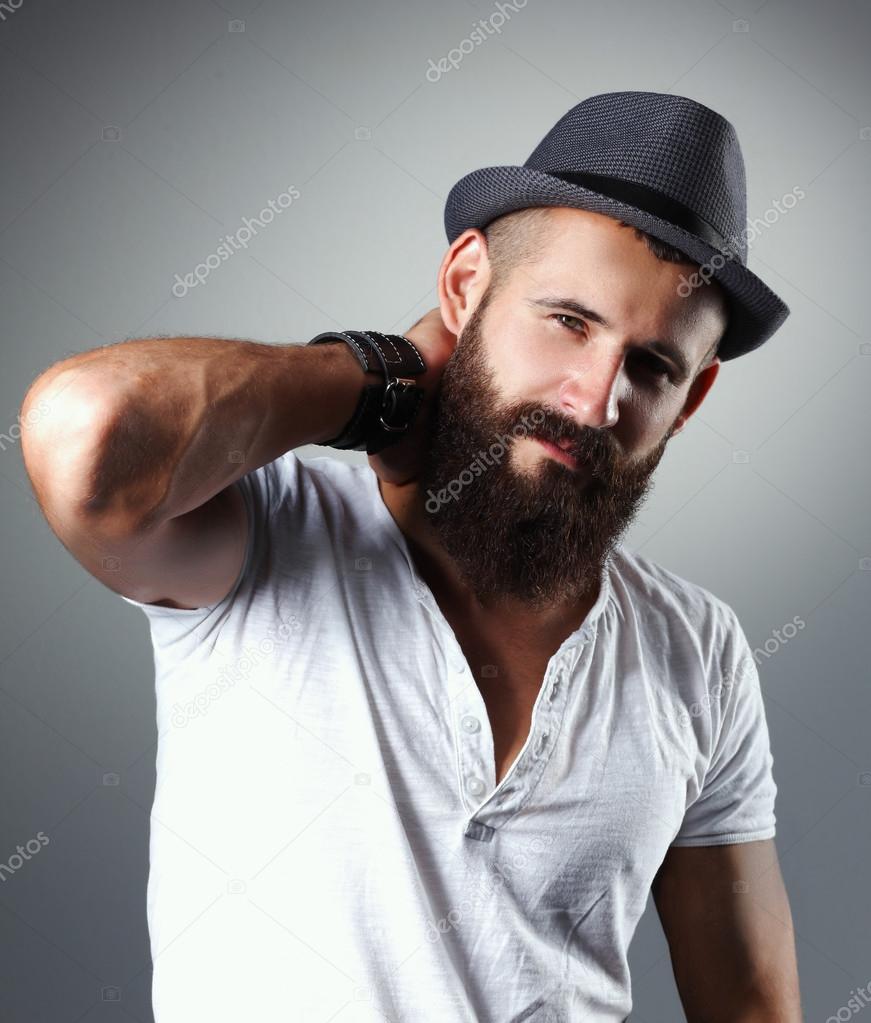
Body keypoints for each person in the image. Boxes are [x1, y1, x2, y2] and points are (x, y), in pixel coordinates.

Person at [20, 92, 802, 1021]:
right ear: (465, 285)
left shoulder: (698, 649)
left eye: (652, 368)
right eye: (568, 320)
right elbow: (87, 433)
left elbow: (749, 1002)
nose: (595, 400)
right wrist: (383, 374)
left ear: (693, 394)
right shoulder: (263, 538)